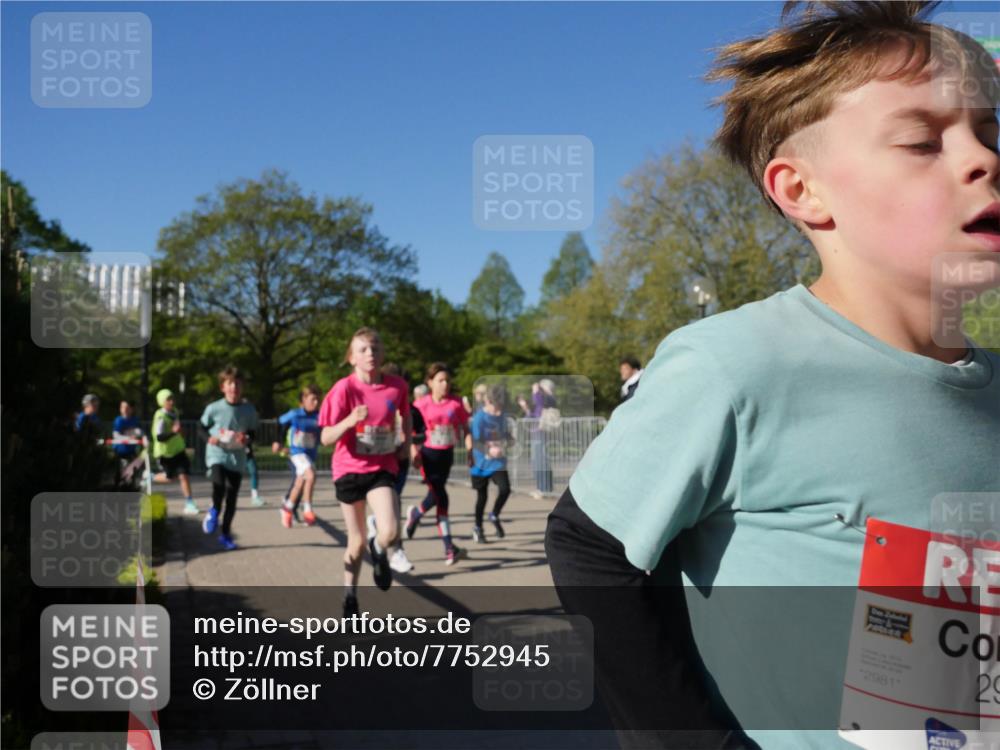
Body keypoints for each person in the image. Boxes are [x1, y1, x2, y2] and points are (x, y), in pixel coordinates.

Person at [545, 4, 1000, 750]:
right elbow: (587, 545)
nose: (982, 157)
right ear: (802, 192)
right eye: (922, 140)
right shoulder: (735, 365)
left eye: (990, 131)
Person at [319, 327, 414, 617]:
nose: (370, 353)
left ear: (382, 353)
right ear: (351, 358)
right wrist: (349, 420)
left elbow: (406, 416)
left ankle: (381, 548)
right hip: (349, 469)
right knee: (356, 542)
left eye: (375, 347)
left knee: (390, 530)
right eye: (363, 349)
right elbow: (325, 438)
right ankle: (350, 595)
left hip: (382, 467)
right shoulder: (344, 389)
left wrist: (405, 443)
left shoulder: (397, 386)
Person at [405, 362, 470, 565]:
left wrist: (469, 451)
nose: (445, 384)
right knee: (441, 497)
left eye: (448, 381)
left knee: (435, 495)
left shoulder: (456, 404)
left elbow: (466, 428)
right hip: (427, 456)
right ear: (430, 382)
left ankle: (415, 514)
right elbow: (410, 432)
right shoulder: (420, 405)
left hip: (446, 455)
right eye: (440, 380)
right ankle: (449, 548)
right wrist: (413, 451)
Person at [364, 363, 418, 574]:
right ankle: (396, 551)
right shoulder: (376, 401)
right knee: (394, 502)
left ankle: (377, 522)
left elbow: (418, 427)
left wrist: (410, 445)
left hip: (400, 459)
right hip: (381, 461)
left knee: (394, 502)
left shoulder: (407, 406)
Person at [199, 366, 258, 551]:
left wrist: (246, 438)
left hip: (237, 458)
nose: (234, 388)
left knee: (232, 497)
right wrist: (210, 438)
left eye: (238, 384)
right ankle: (214, 510)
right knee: (219, 485)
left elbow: (253, 433)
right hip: (217, 454)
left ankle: (225, 534)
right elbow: (200, 427)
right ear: (223, 387)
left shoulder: (249, 410)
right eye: (230, 384)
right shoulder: (214, 408)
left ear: (242, 387)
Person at [467, 383, 514, 544]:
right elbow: (475, 441)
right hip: (480, 463)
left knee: (505, 489)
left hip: (498, 463)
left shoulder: (501, 416)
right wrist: (489, 450)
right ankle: (478, 527)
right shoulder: (480, 417)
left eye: (502, 406)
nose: (499, 410)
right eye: (497, 406)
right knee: (482, 497)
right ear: (488, 401)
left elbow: (506, 434)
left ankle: (494, 514)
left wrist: (509, 440)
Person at [274, 384, 322, 528]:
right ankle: (307, 509)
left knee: (300, 481)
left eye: (318, 400)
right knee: (311, 475)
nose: (316, 403)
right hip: (297, 453)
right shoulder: (295, 414)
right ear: (303, 400)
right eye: (313, 399)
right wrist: (278, 441)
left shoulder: (319, 416)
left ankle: (287, 507)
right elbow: (280, 422)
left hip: (310, 454)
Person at [151, 389, 198, 515]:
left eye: (173, 399)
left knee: (184, 475)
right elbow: (159, 437)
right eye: (168, 399)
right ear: (162, 402)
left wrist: (181, 433)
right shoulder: (160, 416)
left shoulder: (175, 412)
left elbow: (177, 429)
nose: (172, 402)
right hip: (165, 453)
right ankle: (150, 477)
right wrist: (173, 432)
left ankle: (189, 502)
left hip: (178, 450)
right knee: (170, 478)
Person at [519, 379, 556, 498]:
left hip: (542, 433)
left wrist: (536, 391)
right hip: (537, 433)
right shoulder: (544, 400)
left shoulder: (549, 398)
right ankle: (545, 488)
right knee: (539, 462)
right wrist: (525, 408)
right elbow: (533, 416)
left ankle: (543, 489)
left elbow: (539, 403)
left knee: (541, 462)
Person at [112, 400, 144, 486]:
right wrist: (128, 437)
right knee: (121, 473)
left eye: (127, 407)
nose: (125, 409)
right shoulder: (118, 420)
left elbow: (140, 432)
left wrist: (138, 433)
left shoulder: (135, 420)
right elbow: (116, 435)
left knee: (133, 472)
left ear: (132, 409)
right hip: (120, 452)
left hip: (131, 452)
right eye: (123, 407)